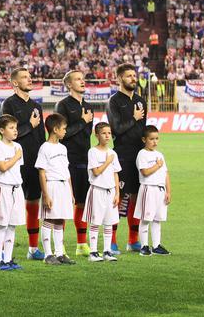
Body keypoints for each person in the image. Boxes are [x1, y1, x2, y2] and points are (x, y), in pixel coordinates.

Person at [1, 68, 46, 260]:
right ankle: (2, 249)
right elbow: (10, 133)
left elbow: (41, 135)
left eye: (30, 77)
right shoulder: (8, 104)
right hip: (15, 162)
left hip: (35, 161)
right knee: (9, 204)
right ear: (15, 83)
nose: (30, 79)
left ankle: (33, 248)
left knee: (33, 201)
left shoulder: (37, 106)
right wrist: (29, 125)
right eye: (25, 77)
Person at [107, 63, 147, 252]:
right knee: (118, 196)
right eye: (129, 75)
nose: (133, 78)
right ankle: (112, 240)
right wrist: (134, 118)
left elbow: (142, 129)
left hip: (139, 154)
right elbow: (116, 129)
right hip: (122, 154)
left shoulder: (141, 101)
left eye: (134, 75)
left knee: (136, 197)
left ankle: (133, 240)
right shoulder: (114, 102)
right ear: (119, 79)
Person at [54, 70, 93, 257]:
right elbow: (63, 134)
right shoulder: (62, 105)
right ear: (69, 84)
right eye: (78, 79)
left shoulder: (87, 105)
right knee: (64, 203)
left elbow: (87, 134)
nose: (82, 81)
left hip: (84, 160)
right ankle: (59, 245)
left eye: (83, 79)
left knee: (82, 203)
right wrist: (82, 121)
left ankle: (81, 244)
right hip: (67, 160)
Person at [36, 113, 76, 266]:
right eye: (64, 128)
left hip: (64, 186)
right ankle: (48, 254)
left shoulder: (63, 148)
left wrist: (71, 192)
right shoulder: (44, 148)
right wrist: (45, 194)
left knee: (60, 219)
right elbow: (42, 172)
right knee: (49, 219)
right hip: (51, 185)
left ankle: (60, 253)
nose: (66, 131)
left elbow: (66, 171)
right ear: (55, 129)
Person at [0, 115, 26, 271]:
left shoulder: (18, 146)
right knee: (2, 225)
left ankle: (8, 259)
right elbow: (3, 167)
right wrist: (16, 157)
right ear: (2, 130)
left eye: (15, 128)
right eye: (11, 128)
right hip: (2, 188)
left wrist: (17, 155)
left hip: (17, 188)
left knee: (12, 225)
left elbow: (17, 168)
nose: (15, 131)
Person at [84, 122, 121, 262]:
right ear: (97, 135)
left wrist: (117, 193)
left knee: (109, 222)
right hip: (97, 191)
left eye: (109, 133)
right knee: (95, 222)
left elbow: (116, 174)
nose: (107, 136)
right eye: (104, 133)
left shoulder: (113, 153)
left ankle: (107, 251)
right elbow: (96, 171)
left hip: (110, 192)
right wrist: (107, 162)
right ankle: (93, 252)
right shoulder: (93, 152)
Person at [135, 126, 171, 256]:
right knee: (146, 218)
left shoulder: (159, 154)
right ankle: (144, 246)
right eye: (151, 139)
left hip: (160, 190)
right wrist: (157, 165)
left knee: (157, 219)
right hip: (148, 189)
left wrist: (168, 191)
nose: (155, 142)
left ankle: (156, 246)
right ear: (144, 139)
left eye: (157, 139)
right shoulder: (142, 154)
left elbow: (166, 173)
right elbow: (144, 172)